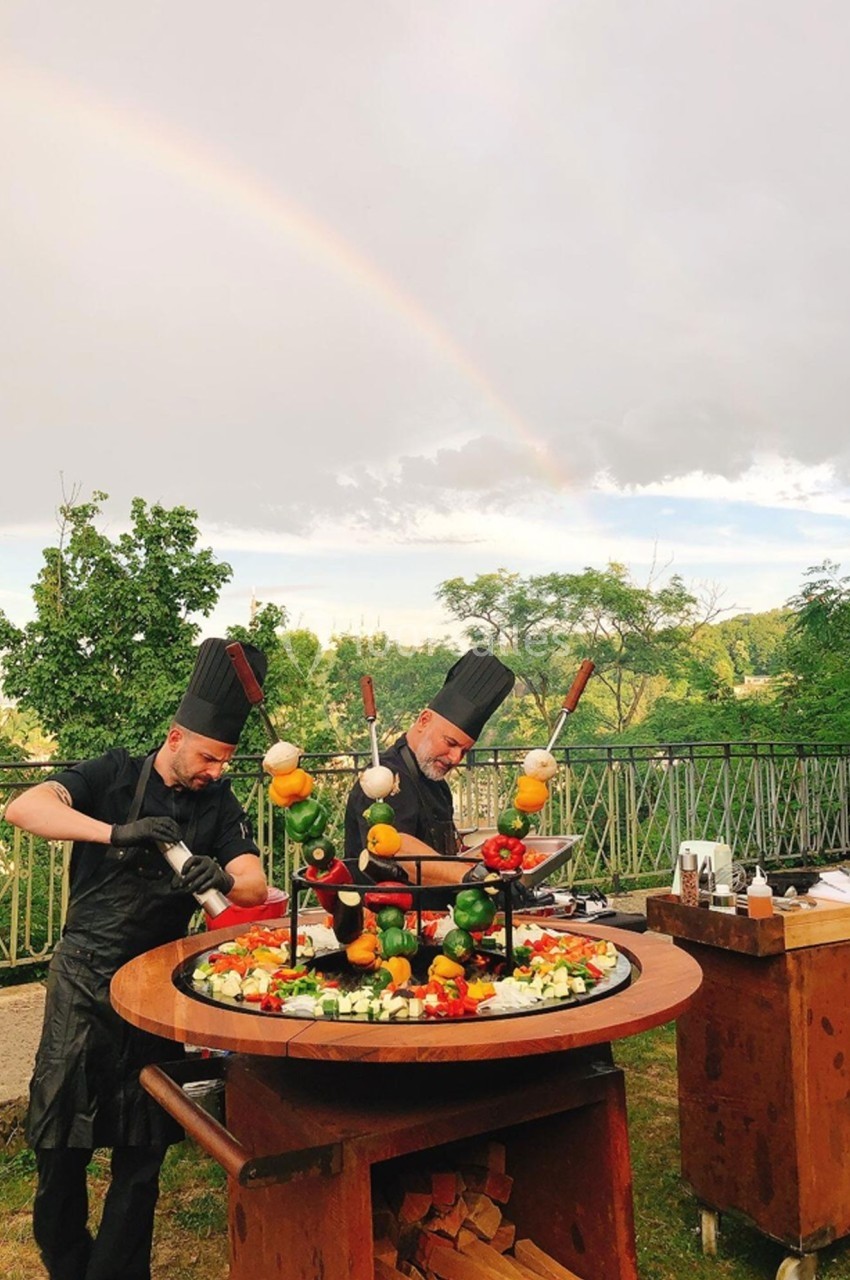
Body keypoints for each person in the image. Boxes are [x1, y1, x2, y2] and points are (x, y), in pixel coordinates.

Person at [4, 638, 268, 1280]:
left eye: (225, 761)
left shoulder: (218, 802)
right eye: (208, 757)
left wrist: (225, 878)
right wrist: (116, 832)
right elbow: (23, 807)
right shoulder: (113, 773)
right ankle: (68, 1265)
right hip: (85, 980)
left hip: (156, 989)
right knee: (59, 1144)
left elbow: (256, 882)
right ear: (176, 737)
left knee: (143, 1148)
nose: (215, 770)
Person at [344, 649, 515, 893]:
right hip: (384, 921)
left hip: (441, 917)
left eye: (464, 751)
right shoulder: (383, 778)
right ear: (424, 720)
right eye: (451, 743)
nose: (456, 758)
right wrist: (475, 876)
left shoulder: (437, 784)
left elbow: (445, 854)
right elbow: (396, 850)